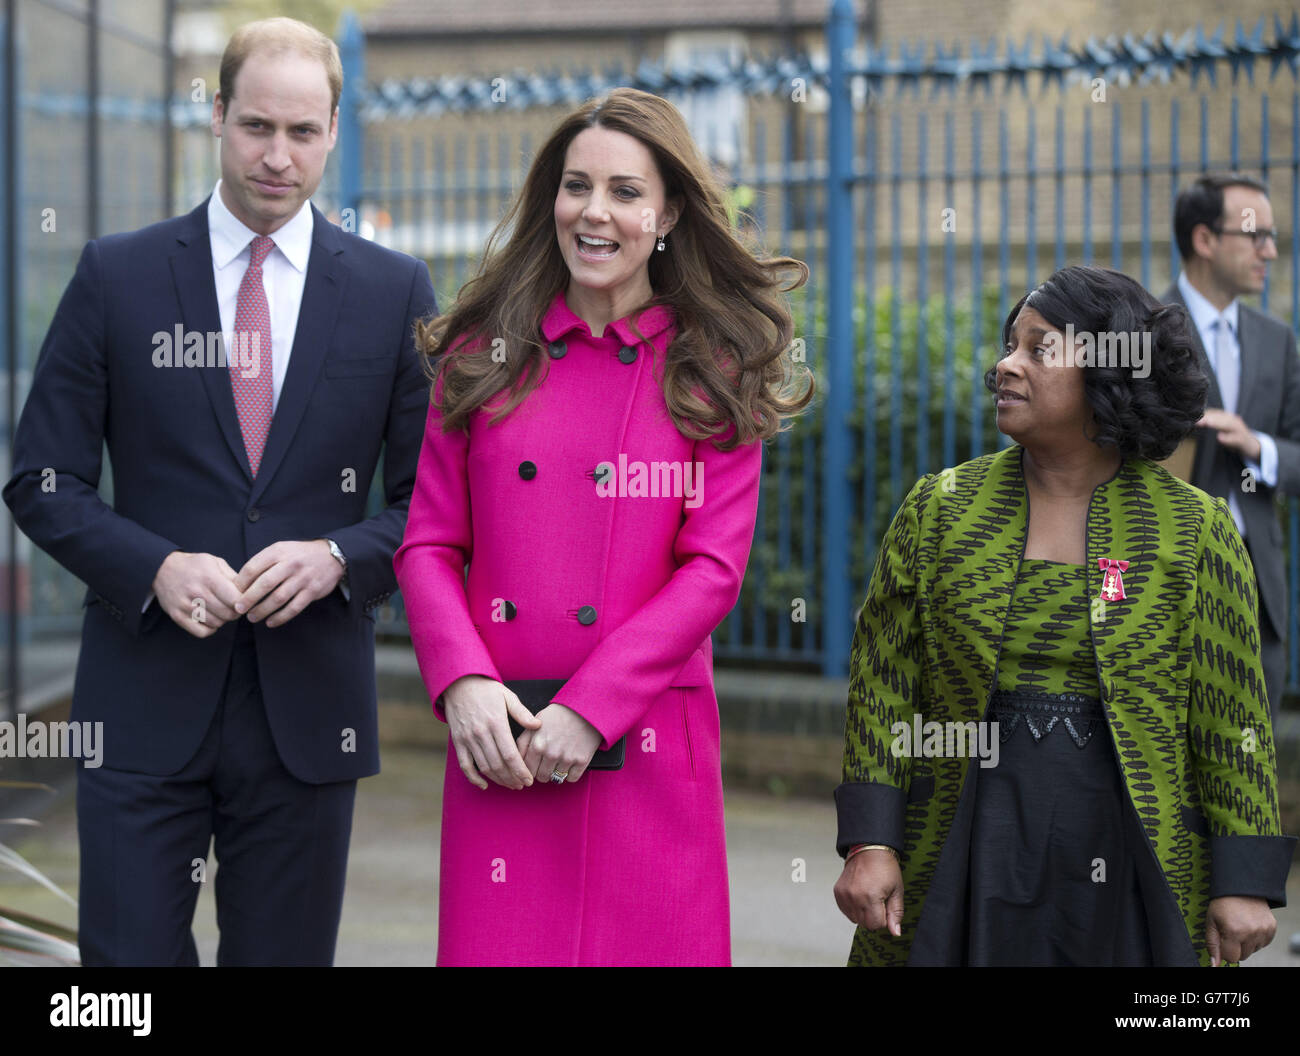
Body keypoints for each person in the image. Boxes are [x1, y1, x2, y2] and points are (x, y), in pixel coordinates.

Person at [3, 17, 436, 965]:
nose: (277, 158)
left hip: (307, 716)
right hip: (141, 705)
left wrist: (337, 558)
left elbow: (434, 509)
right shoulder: (115, 275)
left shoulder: (394, 292)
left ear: (335, 127)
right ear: (215, 115)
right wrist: (152, 566)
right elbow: (40, 478)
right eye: (256, 128)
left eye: (303, 132)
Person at [394, 86, 811, 966]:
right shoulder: (481, 352)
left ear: (665, 215)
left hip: (647, 746)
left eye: (625, 192)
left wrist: (592, 708)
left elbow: (711, 569)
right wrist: (463, 681)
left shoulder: (713, 364)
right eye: (577, 185)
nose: (596, 211)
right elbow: (430, 542)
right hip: (501, 743)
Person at [833, 265, 1295, 967]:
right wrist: (871, 843)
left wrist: (1244, 878)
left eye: (1038, 350)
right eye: (1009, 344)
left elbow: (1231, 717)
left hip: (1132, 853)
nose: (1005, 366)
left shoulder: (1192, 531)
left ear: (1110, 377)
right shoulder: (942, 509)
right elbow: (882, 692)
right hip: (961, 842)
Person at [1162, 172, 1300, 728]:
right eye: (1254, 234)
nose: (1269, 249)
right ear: (1204, 240)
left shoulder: (1278, 339)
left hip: (1257, 589)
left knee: (1252, 763)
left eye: (1271, 235)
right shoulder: (1142, 328)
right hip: (1168, 579)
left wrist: (1257, 445)